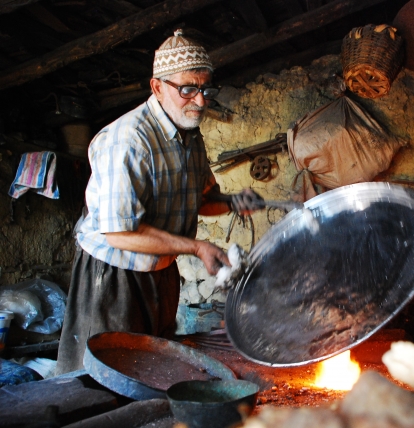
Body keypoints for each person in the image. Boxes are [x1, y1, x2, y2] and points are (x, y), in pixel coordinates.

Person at [55, 30, 262, 374]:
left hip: (160, 272)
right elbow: (121, 234)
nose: (199, 101)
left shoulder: (190, 137)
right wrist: (197, 248)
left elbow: (202, 199)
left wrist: (232, 201)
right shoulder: (129, 140)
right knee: (104, 374)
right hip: (114, 276)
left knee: (152, 369)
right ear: (157, 87)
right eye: (187, 89)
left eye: (205, 89)